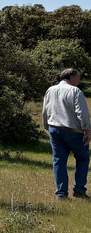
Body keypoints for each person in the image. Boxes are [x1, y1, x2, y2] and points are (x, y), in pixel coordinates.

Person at [42, 68, 90, 199]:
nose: (79, 81)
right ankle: (79, 190)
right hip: (73, 130)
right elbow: (82, 113)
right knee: (82, 158)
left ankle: (61, 194)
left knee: (59, 161)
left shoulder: (50, 90)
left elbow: (45, 110)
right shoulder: (75, 91)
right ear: (71, 78)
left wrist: (46, 127)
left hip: (54, 129)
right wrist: (87, 130)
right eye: (78, 78)